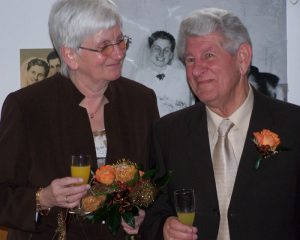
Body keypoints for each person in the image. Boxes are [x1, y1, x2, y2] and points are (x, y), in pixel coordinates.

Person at [0, 0, 159, 239]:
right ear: (70, 55)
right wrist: (42, 198)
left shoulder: (141, 101)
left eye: (121, 40)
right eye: (105, 46)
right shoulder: (26, 107)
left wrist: (143, 213)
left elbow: (156, 181)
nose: (119, 53)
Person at [141, 8, 300, 240]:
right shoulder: (167, 133)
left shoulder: (293, 126)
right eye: (190, 60)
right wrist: (163, 228)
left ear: (242, 58)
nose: (196, 70)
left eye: (209, 56)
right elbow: (151, 214)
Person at [133, 30, 194, 117]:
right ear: (150, 50)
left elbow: (186, 106)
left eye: (166, 50)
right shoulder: (139, 76)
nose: (161, 53)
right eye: (157, 48)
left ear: (171, 55)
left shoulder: (182, 76)